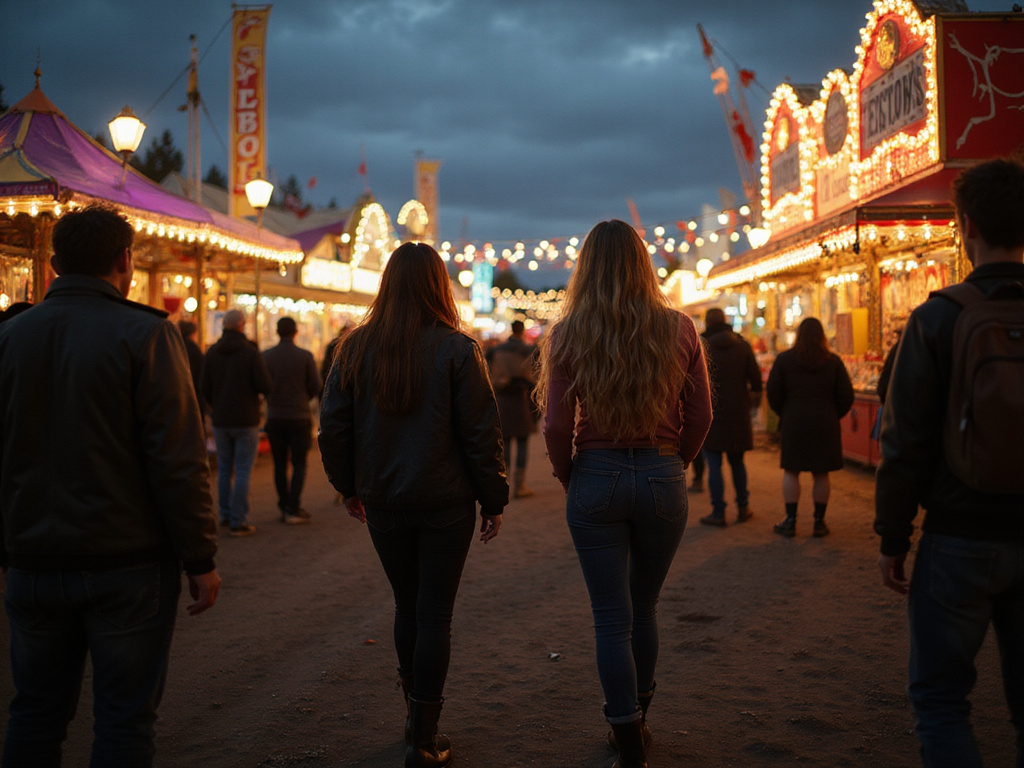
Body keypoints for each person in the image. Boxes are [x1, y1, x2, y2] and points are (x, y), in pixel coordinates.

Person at [0, 204, 220, 767]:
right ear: (125, 260)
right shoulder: (145, 334)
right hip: (127, 561)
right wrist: (199, 556)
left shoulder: (12, 336)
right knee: (124, 718)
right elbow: (178, 458)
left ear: (53, 264)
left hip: (32, 558)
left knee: (34, 713)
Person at [318, 241, 507, 768]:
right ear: (439, 286)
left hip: (384, 498)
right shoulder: (458, 349)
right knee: (435, 614)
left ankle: (413, 721)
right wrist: (493, 498)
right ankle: (423, 736)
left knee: (407, 605)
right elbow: (480, 433)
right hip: (446, 500)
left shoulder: (353, 348)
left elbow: (332, 428)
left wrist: (348, 485)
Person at [537, 219, 712, 768]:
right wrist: (673, 464)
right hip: (661, 474)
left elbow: (555, 426)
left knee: (610, 615)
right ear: (643, 264)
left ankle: (626, 736)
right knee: (646, 606)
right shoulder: (680, 328)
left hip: (595, 473)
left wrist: (571, 478)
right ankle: (643, 712)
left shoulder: (568, 333)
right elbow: (701, 415)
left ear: (585, 268)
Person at [875, 158, 1024, 767]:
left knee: (941, 701)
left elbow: (903, 440)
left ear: (964, 226)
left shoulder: (937, 317)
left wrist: (892, 536)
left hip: (958, 534)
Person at [765, 317, 854, 537]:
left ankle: (791, 520)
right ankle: (819, 522)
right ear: (822, 336)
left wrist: (784, 412)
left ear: (798, 335)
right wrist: (833, 413)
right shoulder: (833, 361)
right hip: (825, 421)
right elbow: (846, 395)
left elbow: (773, 392)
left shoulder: (785, 360)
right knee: (821, 473)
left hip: (794, 419)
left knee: (792, 470)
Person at [200, 308, 272, 537]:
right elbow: (265, 385)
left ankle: (224, 514)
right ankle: (238, 520)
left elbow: (204, 387)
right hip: (246, 418)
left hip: (221, 420)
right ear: (241, 324)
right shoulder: (250, 353)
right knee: (242, 469)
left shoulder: (212, 353)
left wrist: (215, 407)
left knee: (223, 468)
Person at [698, 307, 763, 527]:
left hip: (711, 412)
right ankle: (743, 507)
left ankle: (718, 512)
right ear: (725, 321)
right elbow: (756, 380)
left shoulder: (701, 346)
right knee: (737, 462)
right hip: (738, 413)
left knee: (714, 463)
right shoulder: (742, 346)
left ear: (707, 323)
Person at [262, 316, 321, 524]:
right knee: (299, 463)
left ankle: (284, 504)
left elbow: (262, 385)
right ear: (295, 332)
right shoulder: (305, 356)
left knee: (279, 464)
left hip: (275, 416)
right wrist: (303, 398)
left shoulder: (267, 356)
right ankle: (294, 507)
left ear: (277, 332)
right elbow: (316, 385)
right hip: (299, 416)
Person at [486, 319, 537, 498]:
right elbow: (535, 375)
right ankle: (520, 485)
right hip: (521, 398)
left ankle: (504, 482)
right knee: (522, 441)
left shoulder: (496, 350)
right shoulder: (528, 349)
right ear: (522, 331)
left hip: (502, 399)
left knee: (504, 442)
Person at [178, 319, 206, 417]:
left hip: (178, 395)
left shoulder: (176, 347)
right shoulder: (194, 350)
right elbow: (202, 375)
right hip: (194, 395)